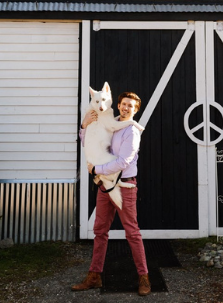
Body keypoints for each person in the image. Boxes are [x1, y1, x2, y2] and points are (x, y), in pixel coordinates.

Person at [72, 91, 150, 296]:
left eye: (130, 106)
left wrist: (96, 170)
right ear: (118, 104)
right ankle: (94, 276)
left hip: (123, 186)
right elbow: (89, 143)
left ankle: (144, 277)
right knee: (100, 231)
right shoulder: (110, 122)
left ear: (135, 110)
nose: (126, 108)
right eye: (124, 104)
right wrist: (84, 125)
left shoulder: (131, 132)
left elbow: (123, 162)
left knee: (132, 232)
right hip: (105, 185)